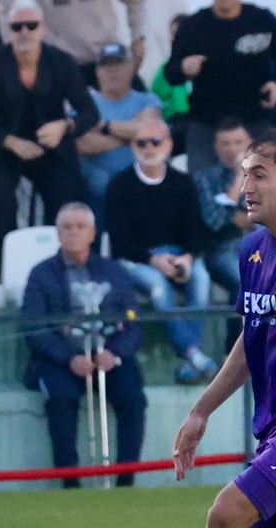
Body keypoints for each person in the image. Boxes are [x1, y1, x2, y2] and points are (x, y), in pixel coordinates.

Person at [142, 132, 276, 528]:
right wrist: (201, 411)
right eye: (244, 173)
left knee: (226, 514)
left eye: (259, 174)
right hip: (270, 428)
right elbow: (252, 335)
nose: (244, 187)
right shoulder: (254, 253)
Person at [21, 202, 146, 488]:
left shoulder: (114, 272)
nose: (73, 233)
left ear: (93, 233)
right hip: (62, 360)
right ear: (58, 233)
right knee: (61, 400)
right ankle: (70, 482)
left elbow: (135, 323)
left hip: (109, 357)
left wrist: (114, 353)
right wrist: (69, 358)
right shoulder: (41, 274)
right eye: (67, 227)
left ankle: (126, 480)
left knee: (133, 397)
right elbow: (34, 327)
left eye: (80, 227)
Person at [0, 1, 97, 267]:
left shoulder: (62, 62)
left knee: (66, 195)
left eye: (31, 25)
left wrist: (64, 126)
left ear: (43, 29)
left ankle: (59, 266)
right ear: (9, 30)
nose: (24, 31)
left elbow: (89, 112)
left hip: (52, 149)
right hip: (4, 150)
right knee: (2, 201)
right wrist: (11, 142)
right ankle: (2, 268)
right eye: (17, 26)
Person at [105, 116, 218, 384]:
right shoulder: (119, 186)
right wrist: (153, 260)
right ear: (133, 147)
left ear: (168, 146)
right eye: (141, 142)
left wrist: (188, 258)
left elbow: (197, 231)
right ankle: (193, 353)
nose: (149, 148)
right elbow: (120, 242)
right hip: (136, 259)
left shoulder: (183, 183)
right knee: (157, 285)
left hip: (178, 253)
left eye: (155, 141)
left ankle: (191, 359)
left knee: (201, 278)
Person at [162, 0, 276, 173]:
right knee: (202, 183)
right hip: (207, 122)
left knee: (267, 181)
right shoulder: (193, 25)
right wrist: (184, 66)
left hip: (255, 119)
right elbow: (171, 73)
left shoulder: (262, 19)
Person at [75, 43, 161, 215]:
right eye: (107, 66)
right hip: (97, 193)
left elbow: (150, 132)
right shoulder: (85, 103)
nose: (113, 71)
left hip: (140, 189)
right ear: (97, 72)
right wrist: (131, 134)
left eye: (118, 65)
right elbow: (82, 145)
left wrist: (104, 126)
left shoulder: (148, 100)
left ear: (131, 68)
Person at [0, 0, 146, 85]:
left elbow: (136, 2)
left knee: (145, 115)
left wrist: (138, 37)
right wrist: (18, 51)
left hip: (108, 58)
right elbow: (4, 7)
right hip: (61, 64)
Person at [198, 118, 256, 295]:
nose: (232, 149)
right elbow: (214, 220)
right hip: (224, 249)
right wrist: (240, 176)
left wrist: (234, 215)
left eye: (238, 142)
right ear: (216, 147)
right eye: (225, 144)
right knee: (246, 282)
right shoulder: (205, 179)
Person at [152, 14, 193, 149]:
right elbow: (155, 105)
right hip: (174, 128)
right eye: (173, 34)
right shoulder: (164, 72)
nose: (176, 39)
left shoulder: (211, 67)